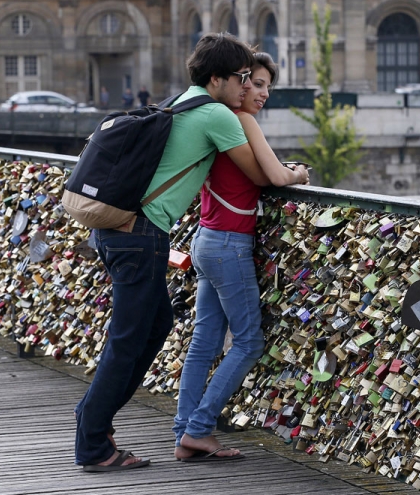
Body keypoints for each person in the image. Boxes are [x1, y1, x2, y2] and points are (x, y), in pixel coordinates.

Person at [73, 32, 282, 473]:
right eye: (242, 78)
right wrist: (295, 172)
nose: (247, 86)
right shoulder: (216, 116)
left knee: (155, 325)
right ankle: (93, 438)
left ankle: (97, 422)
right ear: (217, 78)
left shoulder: (181, 101)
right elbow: (264, 175)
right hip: (141, 235)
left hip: (119, 230)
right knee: (129, 338)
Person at [173, 52, 309, 462]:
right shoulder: (240, 120)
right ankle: (197, 429)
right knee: (249, 341)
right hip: (229, 244)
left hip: (206, 239)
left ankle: (184, 431)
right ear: (237, 81)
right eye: (254, 82)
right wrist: (298, 173)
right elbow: (273, 176)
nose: (260, 92)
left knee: (204, 341)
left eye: (266, 85)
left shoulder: (213, 117)